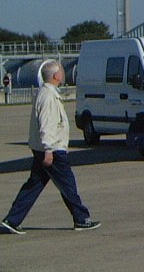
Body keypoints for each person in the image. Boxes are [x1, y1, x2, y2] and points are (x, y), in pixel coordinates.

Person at [1, 60, 99, 234]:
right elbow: (47, 124)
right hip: (52, 150)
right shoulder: (48, 96)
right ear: (56, 76)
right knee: (67, 184)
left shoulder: (46, 93)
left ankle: (12, 220)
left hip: (44, 148)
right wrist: (48, 150)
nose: (63, 73)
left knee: (35, 184)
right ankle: (81, 219)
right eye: (60, 71)